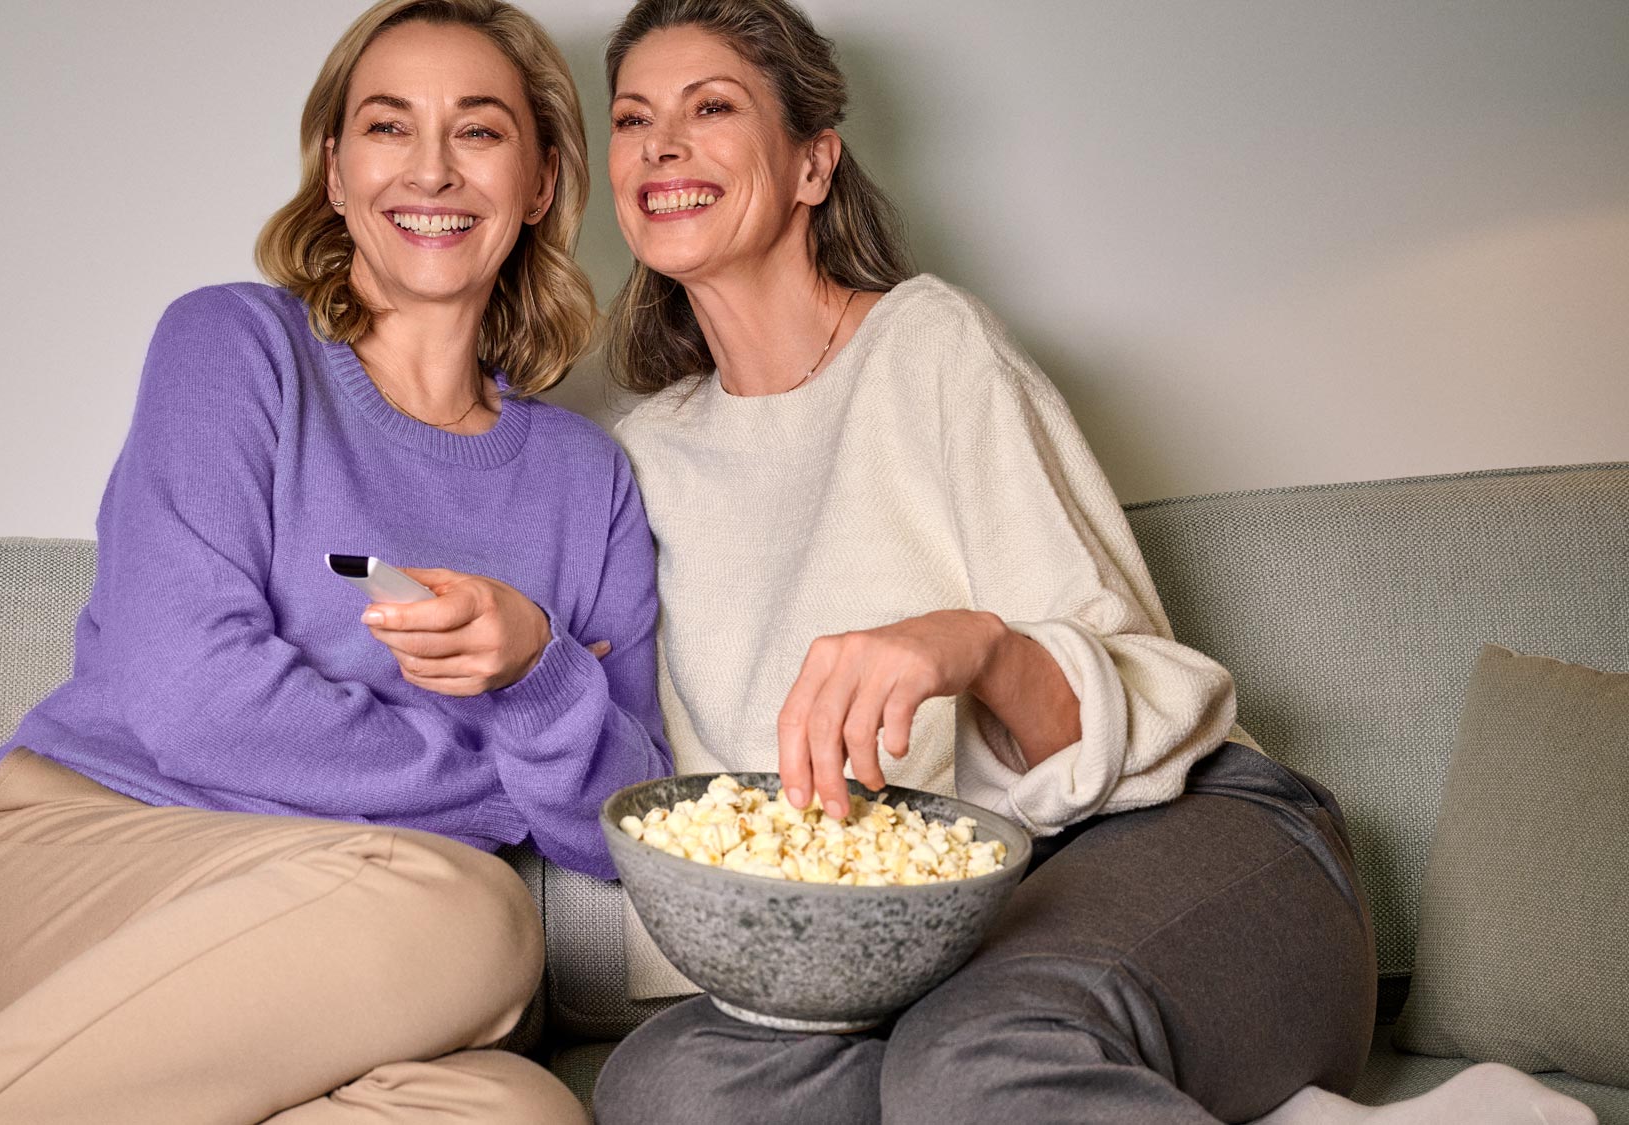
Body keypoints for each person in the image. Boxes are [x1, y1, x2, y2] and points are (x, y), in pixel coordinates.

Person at [588, 2, 1596, 1124]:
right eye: (632, 119)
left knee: (979, 1058)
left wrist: (970, 646)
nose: (661, 145)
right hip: (920, 938)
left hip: (1176, 836)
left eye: (710, 108)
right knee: (669, 1088)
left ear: (812, 165)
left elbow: (1121, 728)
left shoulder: (929, 348)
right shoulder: (643, 459)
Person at [0, 2, 670, 1123]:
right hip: (62, 872)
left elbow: (627, 828)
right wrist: (501, 784)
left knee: (520, 1113)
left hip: (348, 966)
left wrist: (535, 668)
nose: (431, 169)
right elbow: (190, 699)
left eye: (479, 131)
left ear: (539, 181)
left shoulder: (586, 481)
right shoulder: (235, 347)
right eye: (388, 127)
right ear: (335, 171)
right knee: (477, 911)